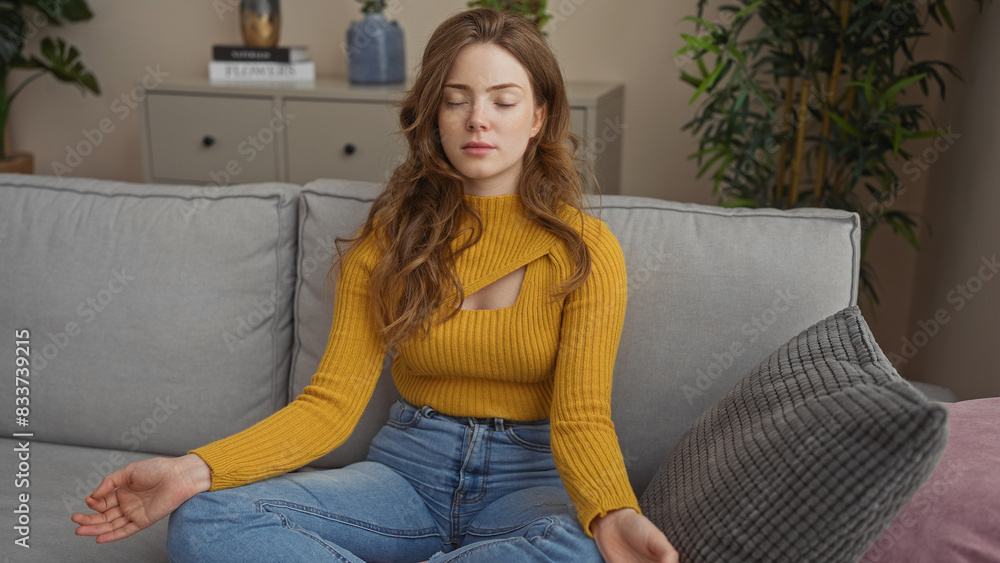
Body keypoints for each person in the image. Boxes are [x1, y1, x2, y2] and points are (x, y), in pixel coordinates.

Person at [71, 8, 678, 562]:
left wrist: (614, 513)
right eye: (456, 99)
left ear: (539, 117)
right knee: (205, 522)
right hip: (407, 475)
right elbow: (328, 407)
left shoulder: (585, 249)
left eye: (503, 101)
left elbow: (582, 417)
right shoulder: (390, 239)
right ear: (433, 115)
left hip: (527, 484)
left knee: (578, 549)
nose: (477, 120)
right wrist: (194, 470)